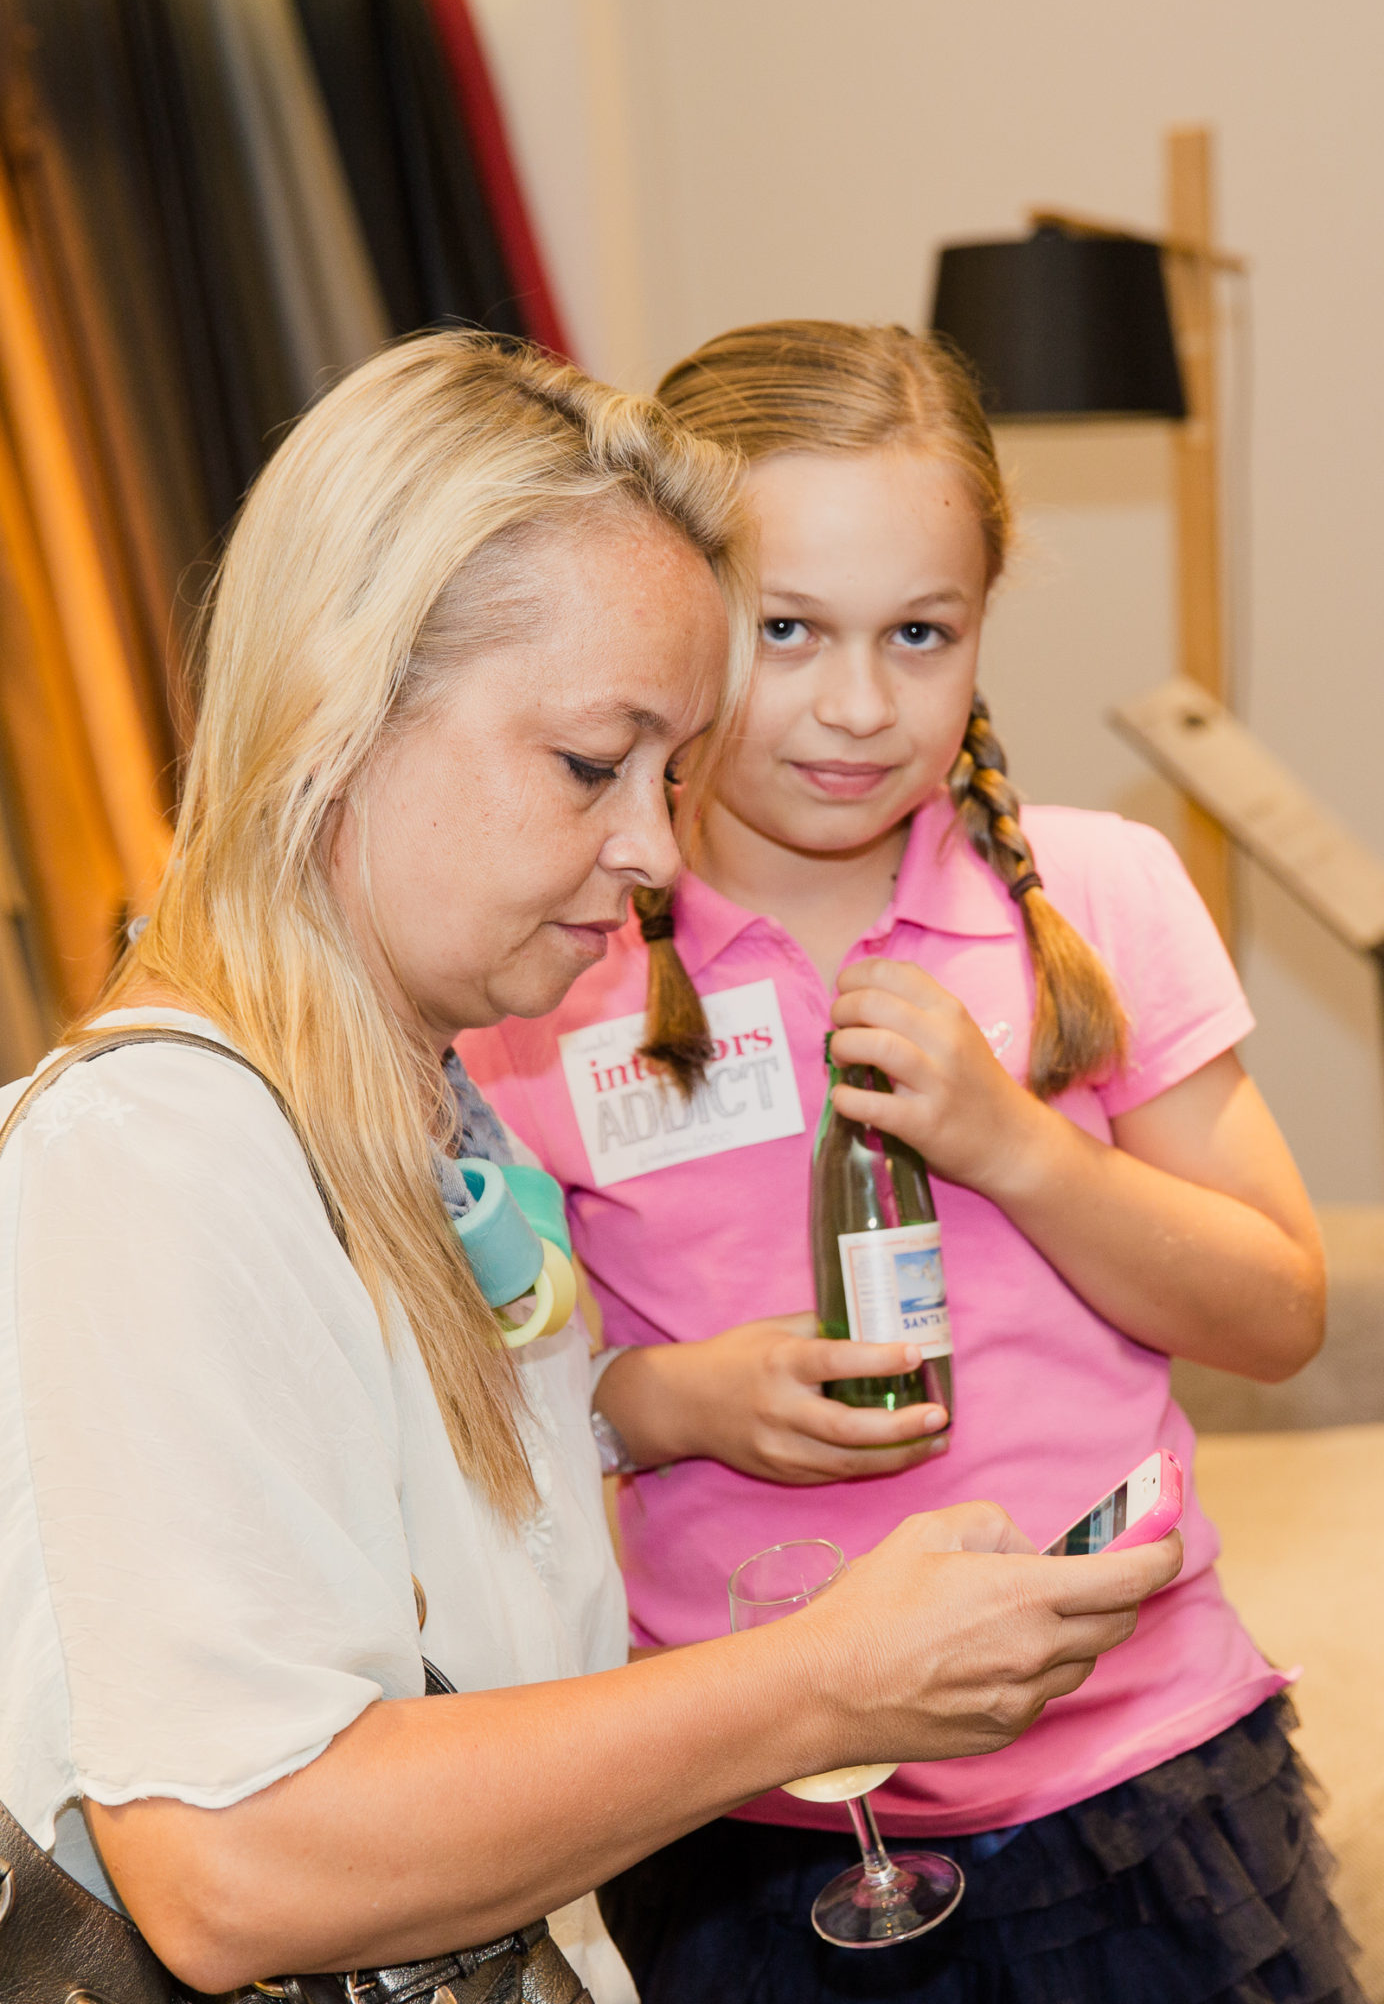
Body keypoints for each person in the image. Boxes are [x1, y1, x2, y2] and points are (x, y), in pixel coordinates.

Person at [0, 331, 1179, 2004]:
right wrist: (821, 1687)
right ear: (344, 702)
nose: (649, 852)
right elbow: (237, 1863)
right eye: (587, 765)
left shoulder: (430, 1102)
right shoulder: (154, 1157)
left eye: (673, 775)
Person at [458, 321, 1362, 2003]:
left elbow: (1281, 1310)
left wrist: (1020, 1147)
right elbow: (470, 1397)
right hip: (750, 1814)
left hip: (1142, 1775)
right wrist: (670, 1402)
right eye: (786, 630)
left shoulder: (1097, 894)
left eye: (920, 633)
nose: (859, 706)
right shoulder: (544, 966)